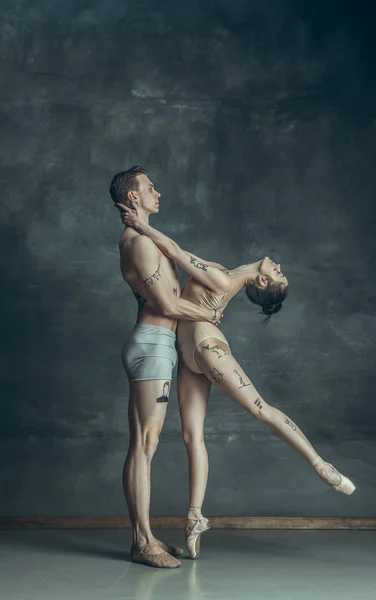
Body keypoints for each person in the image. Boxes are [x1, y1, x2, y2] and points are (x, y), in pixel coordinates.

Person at [116, 202, 356, 560]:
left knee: (260, 409)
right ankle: (195, 517)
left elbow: (176, 252)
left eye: (277, 274)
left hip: (206, 348)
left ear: (261, 281)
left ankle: (321, 464)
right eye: (280, 271)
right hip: (189, 357)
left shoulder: (224, 279)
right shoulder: (225, 276)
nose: (277, 267)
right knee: (191, 436)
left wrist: (141, 226)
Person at [109, 166, 223, 568]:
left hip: (160, 345)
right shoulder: (137, 244)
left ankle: (148, 535)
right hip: (153, 345)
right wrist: (209, 316)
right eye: (149, 187)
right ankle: (142, 543)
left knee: (146, 442)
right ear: (133, 197)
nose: (158, 192)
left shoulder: (148, 239)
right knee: (145, 443)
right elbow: (169, 305)